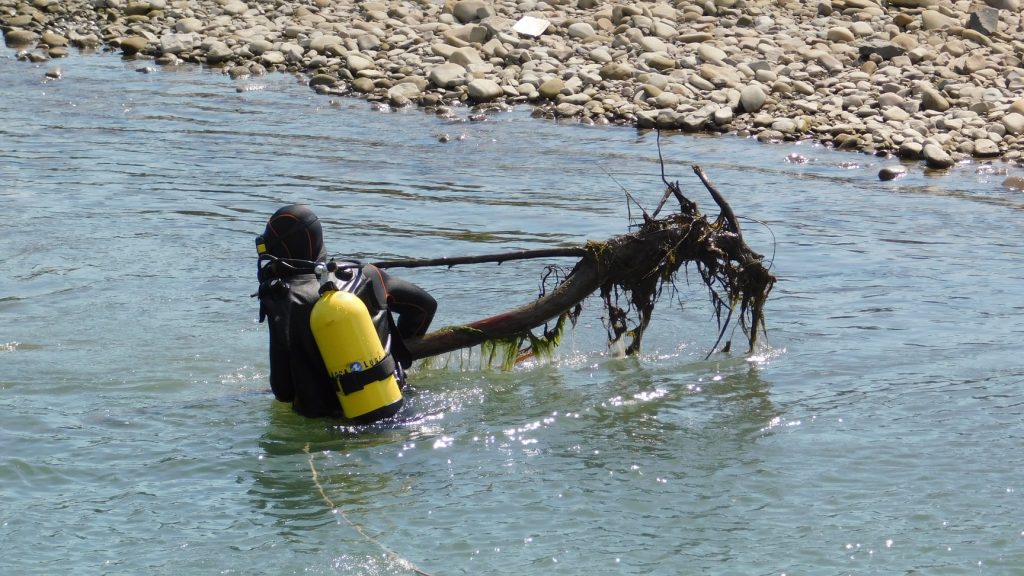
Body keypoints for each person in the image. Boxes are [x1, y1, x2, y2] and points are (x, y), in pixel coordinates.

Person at [254, 204, 436, 418]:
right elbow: (424, 308)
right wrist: (393, 353)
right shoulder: (365, 273)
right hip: (394, 403)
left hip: (330, 424)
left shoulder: (283, 298)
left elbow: (282, 390)